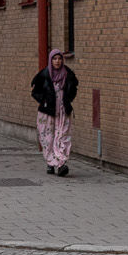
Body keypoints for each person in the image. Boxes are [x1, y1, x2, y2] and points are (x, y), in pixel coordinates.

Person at [31, 49, 79, 177]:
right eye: (54, 59)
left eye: (59, 59)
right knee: (48, 138)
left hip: (63, 112)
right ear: (50, 60)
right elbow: (35, 92)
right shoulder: (44, 75)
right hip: (47, 112)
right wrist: (43, 100)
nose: (57, 61)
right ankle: (51, 163)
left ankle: (61, 164)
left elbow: (73, 89)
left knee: (62, 136)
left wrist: (68, 100)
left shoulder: (68, 74)